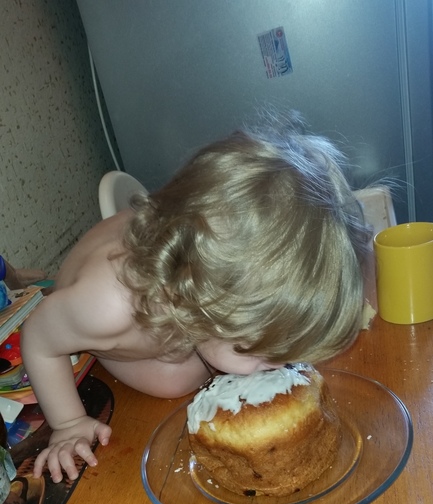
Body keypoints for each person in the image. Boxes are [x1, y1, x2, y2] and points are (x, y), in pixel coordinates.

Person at [21, 114, 372, 483]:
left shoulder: (200, 283)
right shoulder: (107, 308)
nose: (278, 365)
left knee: (195, 372)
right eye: (262, 350)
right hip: (93, 331)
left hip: (169, 308)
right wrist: (69, 423)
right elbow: (38, 337)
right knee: (173, 383)